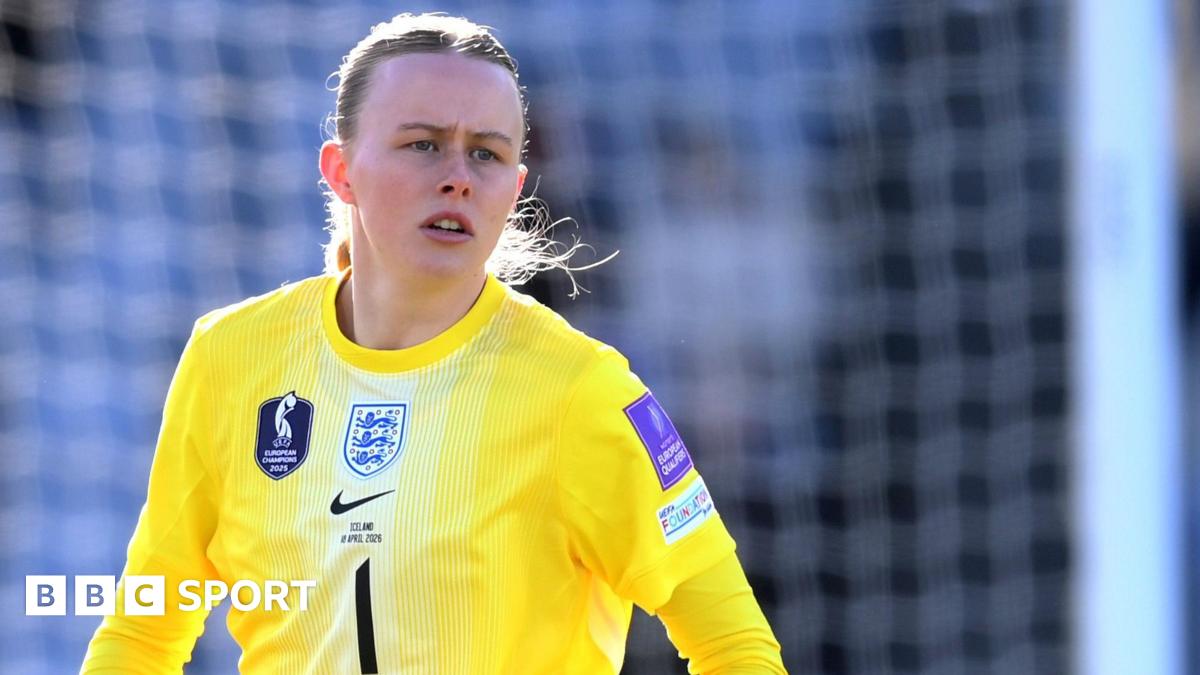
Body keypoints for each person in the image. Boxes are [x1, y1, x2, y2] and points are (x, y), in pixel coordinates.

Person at [82, 13, 785, 674]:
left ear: (513, 189)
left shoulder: (581, 392)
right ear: (340, 170)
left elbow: (734, 643)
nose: (457, 175)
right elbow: (143, 630)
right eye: (423, 144)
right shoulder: (230, 357)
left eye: (486, 153)